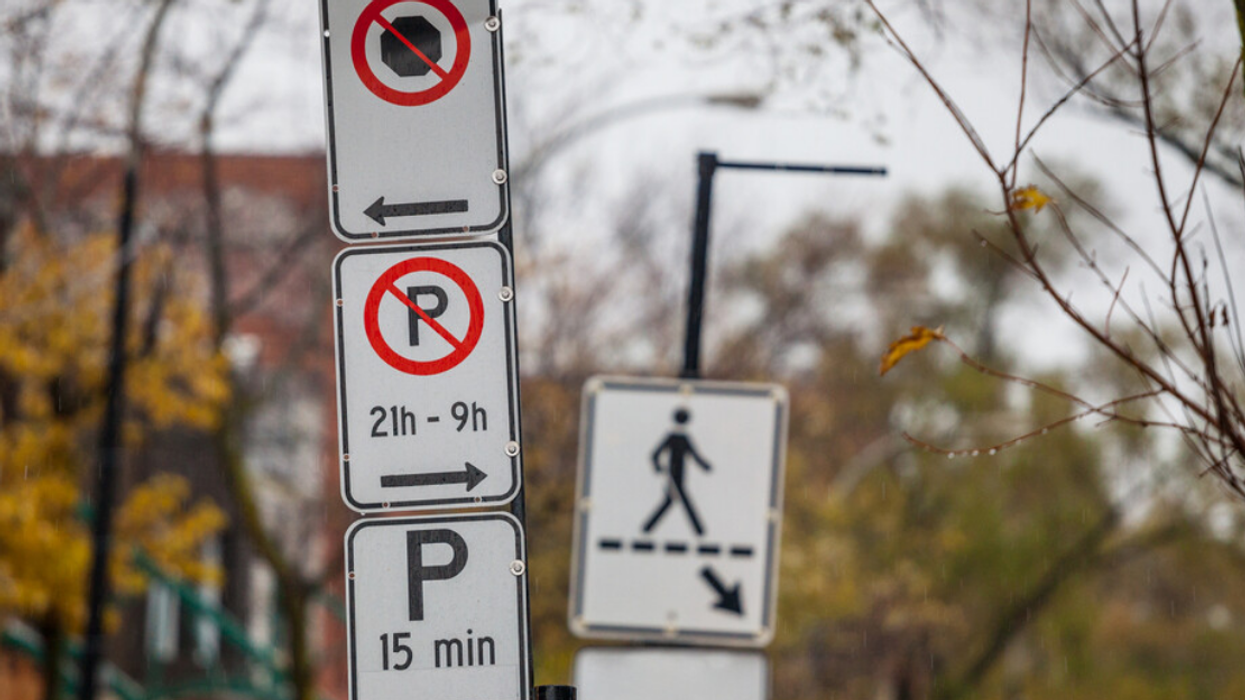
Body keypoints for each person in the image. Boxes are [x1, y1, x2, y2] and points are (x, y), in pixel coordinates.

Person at [642, 408, 712, 536]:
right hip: (674, 475)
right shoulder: (674, 437)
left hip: (679, 475)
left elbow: (695, 455)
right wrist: (658, 468)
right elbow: (655, 454)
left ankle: (647, 528)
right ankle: (699, 530)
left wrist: (705, 466)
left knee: (670, 501)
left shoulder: (682, 438)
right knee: (682, 500)